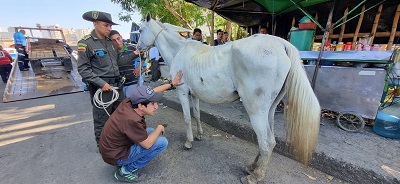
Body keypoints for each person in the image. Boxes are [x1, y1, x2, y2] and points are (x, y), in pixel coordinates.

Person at [99, 71, 183, 182]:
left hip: (113, 148)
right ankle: (126, 171)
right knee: (161, 142)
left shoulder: (130, 102)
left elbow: (153, 92)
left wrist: (172, 84)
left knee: (151, 132)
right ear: (141, 106)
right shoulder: (131, 120)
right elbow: (147, 145)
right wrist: (159, 127)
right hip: (115, 155)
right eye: (153, 104)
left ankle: (126, 162)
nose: (156, 107)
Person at [77, 11, 124, 146]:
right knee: (102, 119)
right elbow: (83, 69)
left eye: (110, 26)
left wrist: (120, 49)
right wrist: (101, 83)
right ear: (95, 24)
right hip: (102, 88)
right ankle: (102, 145)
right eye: (106, 25)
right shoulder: (86, 43)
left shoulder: (111, 42)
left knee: (121, 115)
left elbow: (116, 63)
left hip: (117, 86)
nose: (109, 29)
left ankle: (119, 140)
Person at [109, 30, 143, 97]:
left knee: (130, 103)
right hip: (118, 84)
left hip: (132, 81)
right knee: (122, 105)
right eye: (113, 40)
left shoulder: (132, 48)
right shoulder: (111, 52)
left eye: (118, 38)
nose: (117, 42)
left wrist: (139, 67)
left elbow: (144, 55)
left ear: (121, 37)